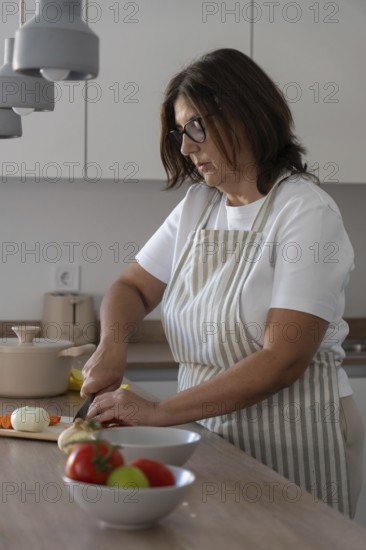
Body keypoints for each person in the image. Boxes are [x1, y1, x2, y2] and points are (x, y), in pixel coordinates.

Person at [81, 48, 364, 517]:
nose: (186, 148)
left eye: (196, 127)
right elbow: (131, 287)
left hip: (294, 439)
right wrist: (112, 346)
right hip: (210, 433)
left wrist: (158, 413)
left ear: (246, 115)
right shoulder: (199, 206)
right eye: (179, 132)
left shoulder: (305, 212)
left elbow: (283, 359)